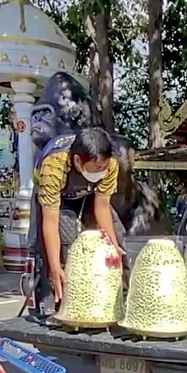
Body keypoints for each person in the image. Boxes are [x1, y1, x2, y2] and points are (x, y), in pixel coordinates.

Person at [32, 127, 125, 309]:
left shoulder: (110, 163)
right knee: (61, 246)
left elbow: (103, 206)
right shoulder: (54, 164)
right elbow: (50, 221)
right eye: (98, 167)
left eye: (104, 167)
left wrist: (112, 246)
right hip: (54, 199)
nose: (103, 170)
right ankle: (52, 305)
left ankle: (117, 298)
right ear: (77, 160)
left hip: (88, 194)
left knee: (117, 236)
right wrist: (55, 267)